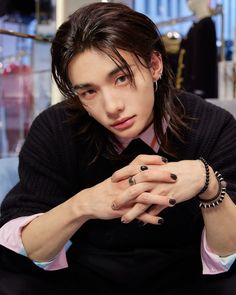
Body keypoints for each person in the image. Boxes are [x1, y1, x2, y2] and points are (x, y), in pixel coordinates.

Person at [0, 2, 236, 294]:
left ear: (154, 65)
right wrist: (84, 204)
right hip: (85, 276)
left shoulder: (213, 125)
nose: (112, 107)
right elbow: (24, 251)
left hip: (188, 275)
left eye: (122, 78)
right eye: (89, 91)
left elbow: (229, 254)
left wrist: (207, 184)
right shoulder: (55, 128)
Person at [176, 0, 218, 98]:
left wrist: (199, 86)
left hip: (200, 88)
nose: (188, 3)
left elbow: (205, 59)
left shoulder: (206, 25)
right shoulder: (197, 26)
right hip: (193, 86)